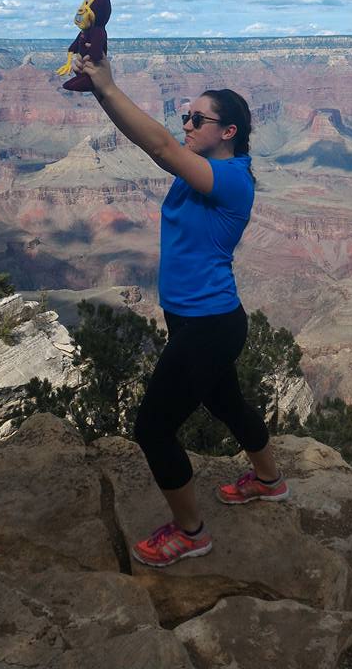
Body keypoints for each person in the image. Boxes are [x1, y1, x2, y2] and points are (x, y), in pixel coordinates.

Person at [73, 47, 289, 568]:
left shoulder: (230, 179)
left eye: (198, 119)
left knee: (152, 428)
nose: (186, 123)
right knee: (227, 402)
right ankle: (269, 481)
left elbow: (161, 146)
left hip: (209, 326)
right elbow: (154, 143)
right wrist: (97, 88)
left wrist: (108, 85)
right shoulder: (205, 169)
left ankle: (191, 533)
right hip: (201, 320)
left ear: (228, 131)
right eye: (184, 115)